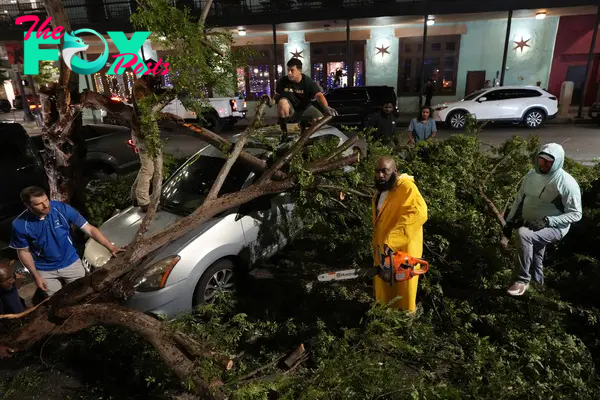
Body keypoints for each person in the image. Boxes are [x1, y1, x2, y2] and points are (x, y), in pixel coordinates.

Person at [9, 186, 124, 297]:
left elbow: (89, 229)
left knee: (82, 294)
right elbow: (24, 252)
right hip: (44, 270)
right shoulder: (20, 224)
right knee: (56, 301)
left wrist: (110, 247)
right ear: (27, 205)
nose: (45, 205)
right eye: (38, 204)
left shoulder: (62, 209)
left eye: (46, 200)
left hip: (71, 262)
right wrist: (36, 276)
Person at [503, 143, 582, 296]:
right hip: (532, 223)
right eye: (541, 160)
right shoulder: (531, 175)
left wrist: (547, 221)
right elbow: (519, 199)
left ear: (558, 162)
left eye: (549, 162)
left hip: (555, 228)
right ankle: (538, 289)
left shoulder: (566, 183)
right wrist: (510, 221)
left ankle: (521, 280)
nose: (544, 164)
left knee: (523, 234)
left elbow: (576, 214)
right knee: (535, 256)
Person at [372, 156, 428, 311]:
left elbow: (417, 212)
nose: (380, 175)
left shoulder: (406, 187)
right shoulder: (380, 192)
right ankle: (386, 321)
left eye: (385, 171)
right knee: (385, 292)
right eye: (377, 171)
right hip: (384, 251)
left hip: (403, 253)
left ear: (395, 171)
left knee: (404, 295)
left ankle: (406, 325)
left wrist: (392, 240)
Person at [273, 58, 338, 138]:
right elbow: (277, 95)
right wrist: (270, 101)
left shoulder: (308, 82)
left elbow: (319, 95)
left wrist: (326, 107)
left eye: (292, 70)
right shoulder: (282, 81)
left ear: (299, 70)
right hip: (291, 109)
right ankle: (284, 133)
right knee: (282, 102)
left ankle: (304, 128)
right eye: (288, 70)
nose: (289, 73)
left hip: (304, 108)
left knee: (319, 120)